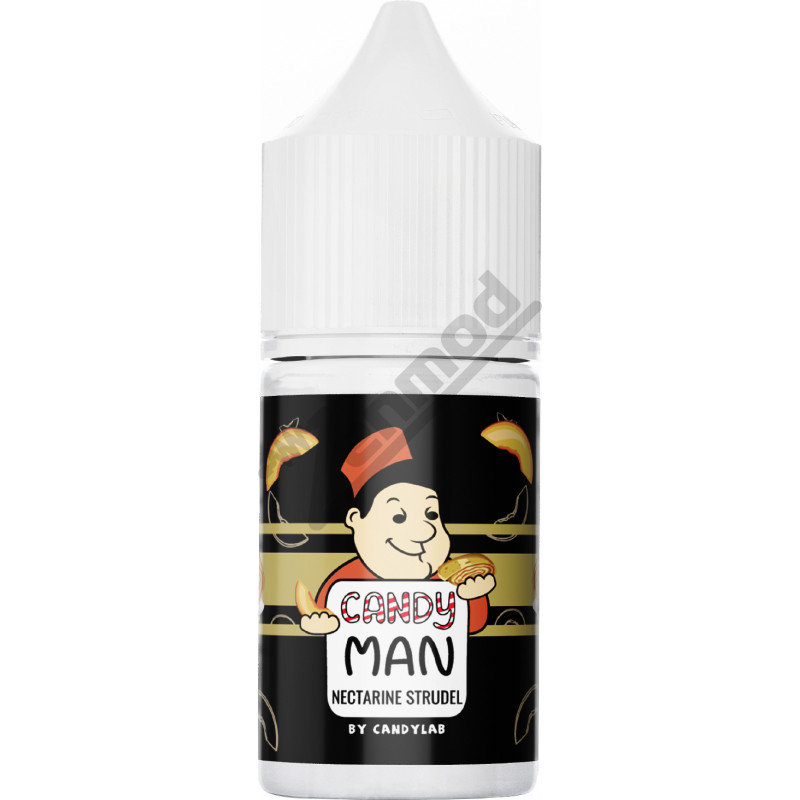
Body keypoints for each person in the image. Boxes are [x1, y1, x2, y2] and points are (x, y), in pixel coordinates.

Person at [300, 427, 495, 635]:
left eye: (431, 515)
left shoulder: (448, 578)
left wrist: (474, 594)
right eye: (398, 517)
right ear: (355, 519)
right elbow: (325, 610)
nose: (425, 532)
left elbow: (473, 622)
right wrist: (320, 624)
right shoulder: (347, 579)